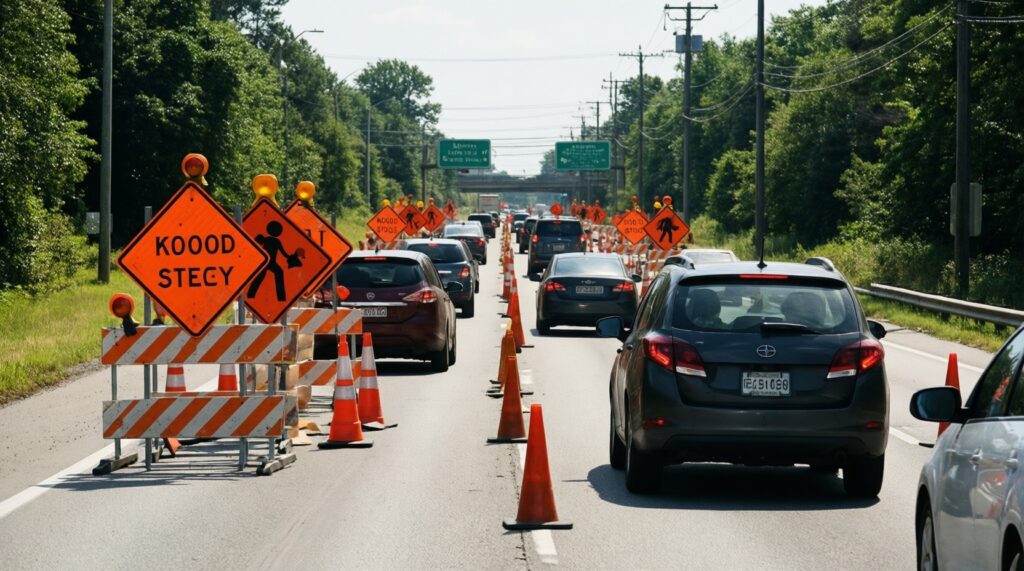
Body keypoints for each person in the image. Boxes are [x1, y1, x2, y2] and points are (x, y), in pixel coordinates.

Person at [247, 220, 300, 302]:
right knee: (262, 277)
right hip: (266, 262)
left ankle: (280, 298)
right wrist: (290, 257)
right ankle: (251, 295)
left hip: (268, 262)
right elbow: (284, 253)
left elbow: (283, 252)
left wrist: (291, 257)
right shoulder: (274, 241)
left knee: (276, 273)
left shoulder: (270, 240)